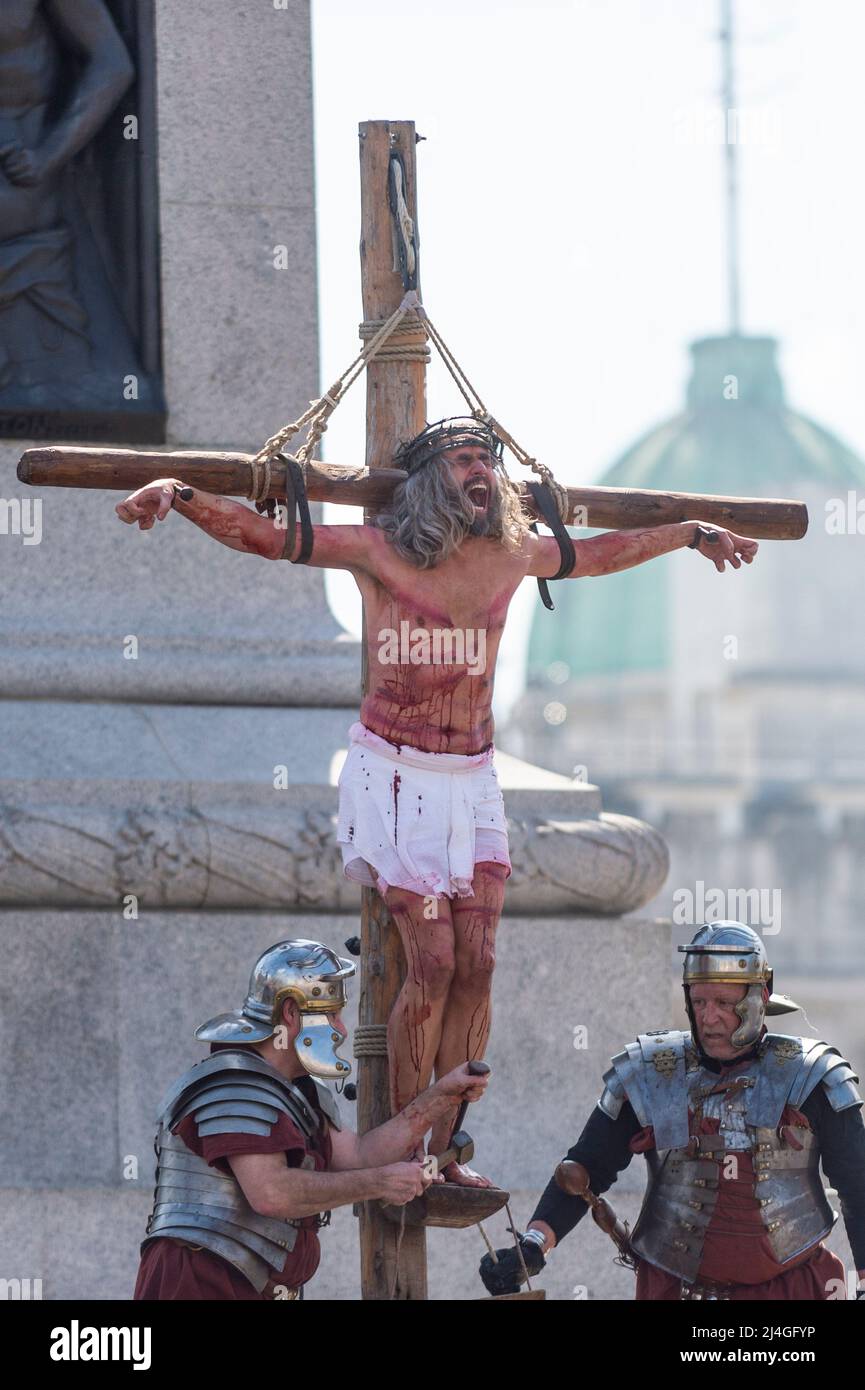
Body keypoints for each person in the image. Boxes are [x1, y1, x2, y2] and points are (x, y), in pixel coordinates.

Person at [116, 418, 758, 1186]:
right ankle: (402, 1145)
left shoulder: (516, 551)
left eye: (486, 460)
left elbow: (603, 552)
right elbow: (262, 537)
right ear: (429, 481)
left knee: (479, 964)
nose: (481, 472)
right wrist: (180, 496)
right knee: (433, 963)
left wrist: (689, 533)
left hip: (473, 779)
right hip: (396, 779)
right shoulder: (378, 549)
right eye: (463, 461)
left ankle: (446, 1151)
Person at [480, 922, 865, 1300]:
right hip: (674, 1288)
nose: (709, 1017)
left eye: (725, 1004)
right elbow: (587, 1166)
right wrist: (533, 1246)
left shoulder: (811, 1075)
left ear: (761, 996)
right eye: (699, 1001)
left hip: (792, 1288)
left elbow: (857, 1184)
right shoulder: (651, 1071)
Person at [134, 937, 488, 1301]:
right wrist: (379, 1183)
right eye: (331, 1014)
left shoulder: (298, 1091)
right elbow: (271, 1193)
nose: (341, 1030)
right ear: (291, 1012)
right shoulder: (236, 1086)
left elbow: (362, 1155)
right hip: (200, 1282)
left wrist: (441, 1096)